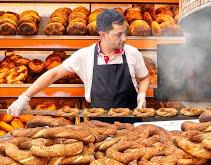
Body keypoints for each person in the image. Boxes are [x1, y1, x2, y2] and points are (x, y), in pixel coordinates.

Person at [7, 9, 150, 120]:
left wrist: (142, 94)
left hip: (132, 121)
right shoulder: (85, 55)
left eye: (124, 33)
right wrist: (25, 96)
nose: (124, 38)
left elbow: (144, 78)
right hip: (97, 123)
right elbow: (54, 74)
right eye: (119, 35)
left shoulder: (132, 53)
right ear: (102, 35)